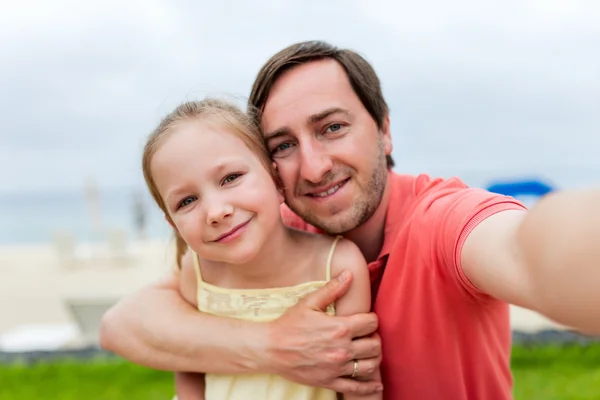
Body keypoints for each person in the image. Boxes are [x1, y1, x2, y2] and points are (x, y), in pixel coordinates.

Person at [101, 41, 600, 400]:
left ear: (384, 130)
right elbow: (122, 325)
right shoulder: (270, 232)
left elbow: (524, 247)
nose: (314, 167)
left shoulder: (441, 220)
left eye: (333, 128)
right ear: (270, 170)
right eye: (284, 146)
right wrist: (272, 348)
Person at [140, 98, 381, 399]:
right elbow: (189, 365)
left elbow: (362, 386)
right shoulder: (197, 270)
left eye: (231, 178)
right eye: (187, 201)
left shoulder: (337, 266)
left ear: (276, 180)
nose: (215, 211)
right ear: (173, 223)